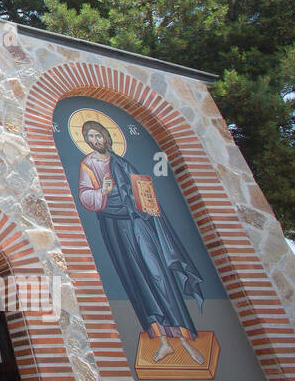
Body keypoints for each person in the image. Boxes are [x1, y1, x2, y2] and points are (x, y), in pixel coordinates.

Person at [76, 118, 207, 364]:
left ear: (106, 136)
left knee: (159, 275)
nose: (95, 141)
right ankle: (163, 342)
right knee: (136, 279)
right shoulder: (87, 164)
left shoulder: (124, 163)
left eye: (98, 136)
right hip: (114, 227)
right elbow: (84, 195)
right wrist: (101, 192)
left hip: (138, 224)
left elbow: (143, 193)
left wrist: (148, 207)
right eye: (90, 137)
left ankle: (185, 340)